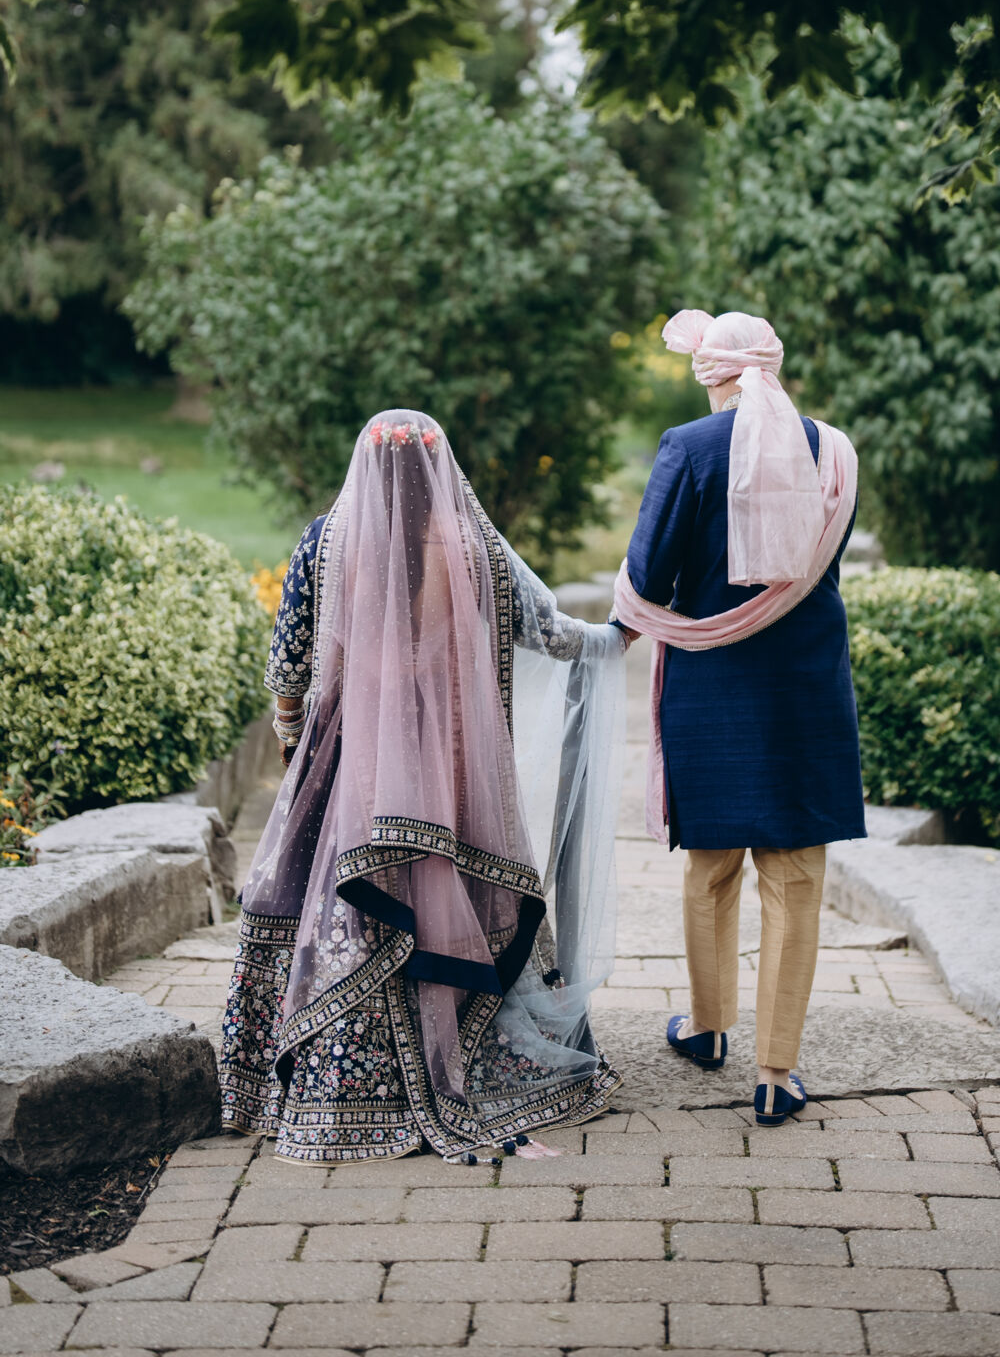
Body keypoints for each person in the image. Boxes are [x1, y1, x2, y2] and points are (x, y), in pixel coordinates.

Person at [219, 408, 627, 1163]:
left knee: (339, 900)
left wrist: (291, 737)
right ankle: (474, 1059)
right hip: (451, 766)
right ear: (442, 469)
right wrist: (615, 636)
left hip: (353, 764)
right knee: (451, 893)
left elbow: (290, 661)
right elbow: (550, 633)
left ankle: (342, 1085)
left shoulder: (327, 540)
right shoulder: (477, 548)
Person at [613, 310, 864, 1125]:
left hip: (712, 683)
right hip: (804, 688)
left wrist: (611, 637)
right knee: (795, 878)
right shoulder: (835, 450)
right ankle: (777, 1073)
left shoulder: (688, 448)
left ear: (709, 374)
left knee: (711, 867)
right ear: (773, 367)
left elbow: (648, 575)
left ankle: (707, 1026)